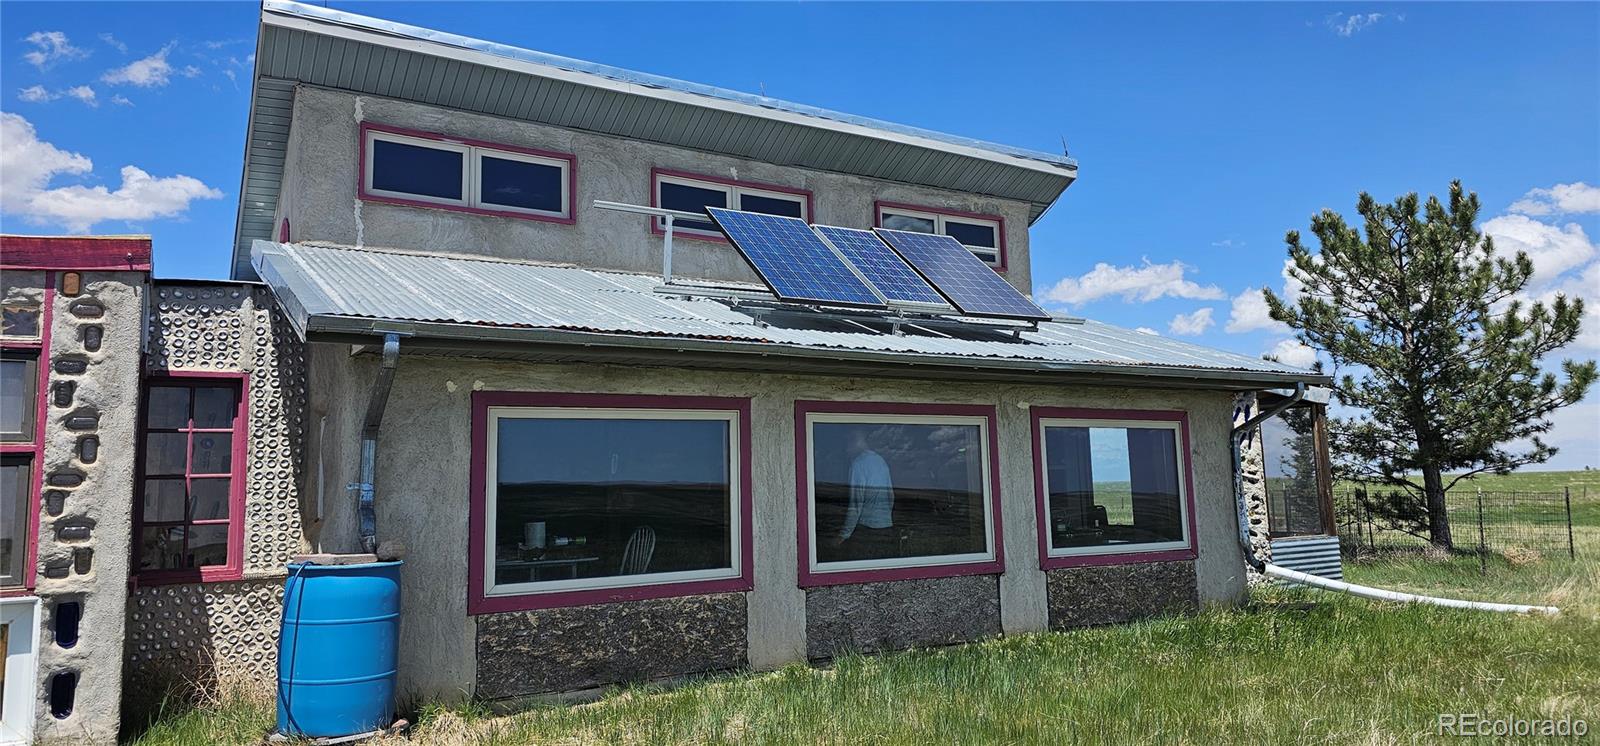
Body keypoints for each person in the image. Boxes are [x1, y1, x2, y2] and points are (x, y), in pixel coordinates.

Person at [834, 429, 894, 559]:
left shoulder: (858, 464)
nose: (845, 450)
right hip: (886, 528)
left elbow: (855, 505)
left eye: (846, 444)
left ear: (855, 442)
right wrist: (884, 518)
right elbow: (891, 496)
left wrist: (843, 535)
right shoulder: (881, 461)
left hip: (868, 530)